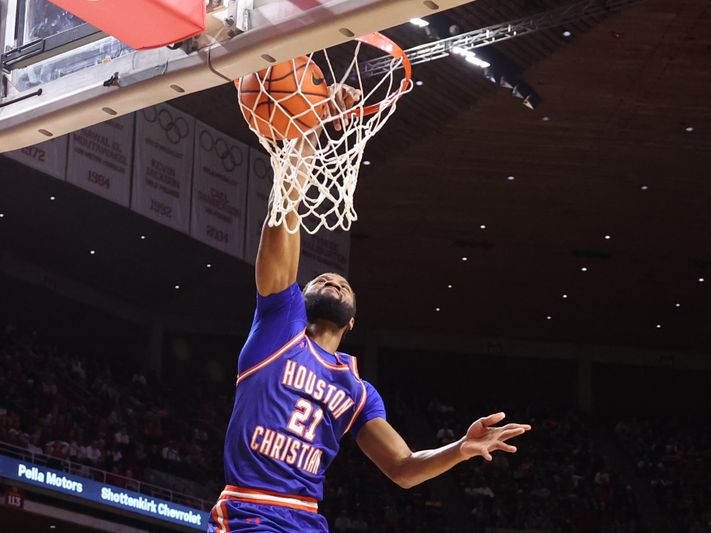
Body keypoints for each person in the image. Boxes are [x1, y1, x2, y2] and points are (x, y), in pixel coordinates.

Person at [208, 85, 531, 532]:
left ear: (353, 320)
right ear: (299, 300)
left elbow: (402, 466)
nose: (333, 279)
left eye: (342, 283)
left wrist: (459, 448)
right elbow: (284, 213)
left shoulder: (359, 392)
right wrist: (309, 127)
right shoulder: (279, 330)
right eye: (321, 279)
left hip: (306, 521)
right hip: (251, 512)